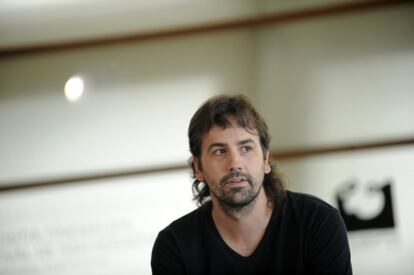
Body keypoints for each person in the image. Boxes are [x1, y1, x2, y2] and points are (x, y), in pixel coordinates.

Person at [151, 94, 352, 274]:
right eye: (220, 151)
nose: (235, 163)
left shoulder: (318, 223)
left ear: (265, 159)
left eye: (246, 148)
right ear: (198, 168)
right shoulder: (175, 246)